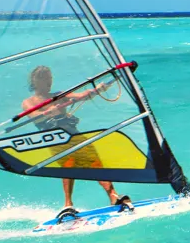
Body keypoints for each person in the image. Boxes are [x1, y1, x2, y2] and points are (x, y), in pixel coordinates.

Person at [21, 64, 130, 220]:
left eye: (50, 79)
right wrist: (46, 112)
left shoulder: (59, 95)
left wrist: (99, 88)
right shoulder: (29, 102)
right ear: (36, 81)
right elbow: (34, 115)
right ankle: (68, 204)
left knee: (96, 163)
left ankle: (113, 196)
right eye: (46, 80)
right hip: (56, 138)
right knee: (68, 166)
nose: (49, 82)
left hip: (73, 134)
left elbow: (83, 95)